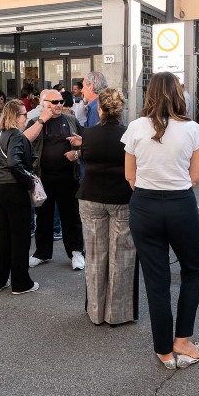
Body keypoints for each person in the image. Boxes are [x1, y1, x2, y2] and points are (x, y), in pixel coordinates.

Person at [121, 72, 199, 369]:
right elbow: (195, 177)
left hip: (144, 204)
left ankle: (163, 350)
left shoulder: (134, 127)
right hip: (180, 203)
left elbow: (129, 176)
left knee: (156, 279)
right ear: (179, 94)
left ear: (150, 93)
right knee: (193, 269)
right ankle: (182, 340)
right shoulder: (193, 129)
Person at [71, 88, 136, 325]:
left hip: (91, 196)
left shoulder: (88, 134)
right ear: (121, 110)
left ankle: (96, 312)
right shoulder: (129, 134)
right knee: (122, 255)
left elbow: (86, 156)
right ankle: (117, 314)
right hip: (122, 198)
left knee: (96, 255)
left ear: (100, 109)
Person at [23, 88, 85, 270]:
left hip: (68, 177)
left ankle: (76, 252)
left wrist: (76, 152)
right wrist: (43, 119)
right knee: (43, 216)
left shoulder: (71, 120)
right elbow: (24, 141)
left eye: (61, 102)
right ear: (45, 104)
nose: (59, 105)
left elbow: (85, 143)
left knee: (71, 217)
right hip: (43, 178)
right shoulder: (36, 121)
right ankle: (42, 253)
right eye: (55, 102)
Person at [0, 100, 39, 295]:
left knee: (3, 236)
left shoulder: (0, 133)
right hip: (12, 189)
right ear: (15, 116)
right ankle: (21, 283)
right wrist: (29, 182)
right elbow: (14, 162)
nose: (26, 117)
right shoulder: (17, 135)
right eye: (24, 114)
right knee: (20, 237)